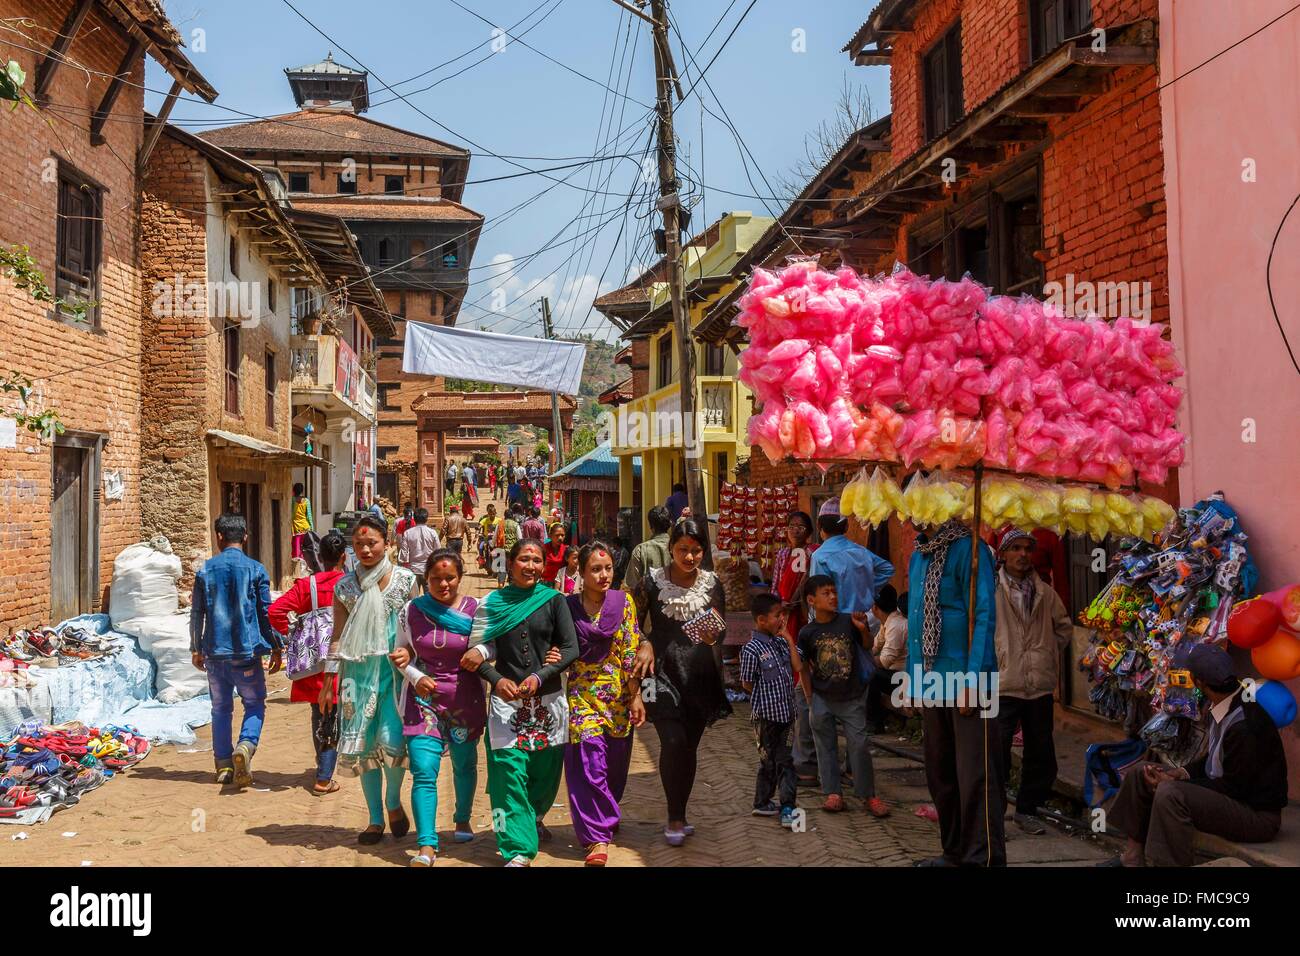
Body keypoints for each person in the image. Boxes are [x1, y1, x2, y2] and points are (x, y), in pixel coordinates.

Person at [1103, 643, 1287, 867]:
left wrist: (1173, 781)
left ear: (1198, 682)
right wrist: (1181, 772)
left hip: (1256, 816)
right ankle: (1132, 857)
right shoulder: (1222, 705)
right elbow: (1214, 762)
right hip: (1229, 794)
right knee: (1140, 773)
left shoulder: (1244, 725)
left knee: (1170, 793)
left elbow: (1233, 787)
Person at [462, 540, 580, 866]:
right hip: (506, 704)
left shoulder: (555, 601)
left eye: (537, 560)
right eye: (524, 559)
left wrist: (542, 675)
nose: (531, 566)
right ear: (510, 563)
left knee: (545, 769)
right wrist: (497, 680)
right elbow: (475, 653)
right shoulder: (493, 603)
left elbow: (570, 648)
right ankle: (517, 847)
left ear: (544, 566)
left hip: (549, 702)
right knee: (507, 772)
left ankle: (534, 815)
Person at [904, 518, 1002, 867]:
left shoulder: (970, 550)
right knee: (941, 773)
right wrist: (913, 680)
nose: (910, 512)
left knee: (974, 776)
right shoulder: (919, 554)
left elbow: (984, 615)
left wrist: (973, 682)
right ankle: (954, 852)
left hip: (967, 683)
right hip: (932, 681)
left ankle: (982, 858)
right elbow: (916, 619)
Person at [320, 515, 418, 845]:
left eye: (372, 543)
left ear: (387, 543)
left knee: (391, 740)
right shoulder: (345, 587)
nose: (365, 549)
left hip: (396, 675)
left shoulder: (405, 581)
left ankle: (393, 802)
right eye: (359, 544)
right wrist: (327, 679)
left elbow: (416, 629)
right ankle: (375, 819)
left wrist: (418, 666)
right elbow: (337, 635)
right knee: (362, 746)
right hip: (357, 676)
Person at [633, 518, 730, 846]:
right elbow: (631, 622)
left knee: (688, 746)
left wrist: (713, 635)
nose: (689, 557)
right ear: (671, 548)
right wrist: (644, 641)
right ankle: (674, 816)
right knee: (672, 741)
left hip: (699, 675)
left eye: (696, 551)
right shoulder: (651, 582)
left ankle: (680, 812)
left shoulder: (712, 583)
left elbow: (721, 628)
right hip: (660, 673)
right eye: (683, 550)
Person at [388, 549, 483, 866]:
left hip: (463, 701)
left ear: (460, 577)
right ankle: (427, 845)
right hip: (422, 701)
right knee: (423, 771)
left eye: (450, 578)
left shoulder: (476, 610)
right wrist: (414, 675)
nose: (444, 584)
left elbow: (491, 643)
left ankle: (462, 818)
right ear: (425, 579)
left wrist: (482, 650)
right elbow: (401, 652)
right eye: (436, 579)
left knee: (464, 763)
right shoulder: (410, 611)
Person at [564, 541, 645, 866]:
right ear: (581, 572)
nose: (603, 575)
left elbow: (630, 649)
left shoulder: (623, 603)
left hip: (619, 698)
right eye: (595, 569)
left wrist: (636, 695)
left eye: (608, 568)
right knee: (589, 764)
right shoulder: (567, 607)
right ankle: (597, 838)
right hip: (581, 697)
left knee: (614, 769)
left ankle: (606, 810)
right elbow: (560, 647)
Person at [190, 513, 282, 788]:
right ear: (245, 537)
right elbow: (266, 614)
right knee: (253, 703)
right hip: (247, 652)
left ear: (219, 536)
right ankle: (245, 745)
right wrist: (276, 645)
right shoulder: (256, 569)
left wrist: (196, 647)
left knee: (220, 708)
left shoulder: (205, 570)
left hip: (215, 652)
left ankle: (223, 766)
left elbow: (197, 613)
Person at [992, 528, 1073, 834]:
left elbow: (1063, 630)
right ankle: (994, 814)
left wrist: (1045, 656)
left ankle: (1027, 809)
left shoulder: (1045, 593)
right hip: (1002, 683)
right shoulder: (991, 590)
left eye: (1027, 548)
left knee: (1041, 755)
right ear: (1003, 553)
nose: (1023, 554)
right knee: (997, 753)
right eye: (1015, 548)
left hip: (1038, 685)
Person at [797, 575, 888, 818]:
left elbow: (867, 646)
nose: (833, 597)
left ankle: (868, 794)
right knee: (825, 746)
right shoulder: (807, 632)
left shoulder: (849, 622)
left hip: (852, 696)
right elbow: (803, 666)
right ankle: (833, 793)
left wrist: (862, 629)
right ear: (811, 600)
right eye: (826, 593)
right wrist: (808, 696)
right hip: (822, 697)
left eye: (834, 592)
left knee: (859, 744)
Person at [268, 529, 348, 796]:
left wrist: (293, 635)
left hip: (314, 661)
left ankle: (323, 764)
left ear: (320, 557)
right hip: (344, 660)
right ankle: (324, 777)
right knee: (334, 716)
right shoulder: (351, 584)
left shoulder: (307, 586)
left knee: (319, 711)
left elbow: (276, 611)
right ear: (344, 557)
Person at [740, 594, 800, 827]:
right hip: (765, 718)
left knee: (785, 760)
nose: (782, 619)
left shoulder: (782, 643)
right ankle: (762, 802)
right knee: (768, 761)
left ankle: (788, 806)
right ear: (762, 620)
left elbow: (797, 667)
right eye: (778, 616)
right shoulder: (751, 649)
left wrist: (789, 639)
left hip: (787, 715)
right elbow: (746, 683)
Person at [770, 510, 818, 785]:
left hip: (802, 615)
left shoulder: (812, 553)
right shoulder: (781, 556)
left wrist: (796, 599)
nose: (795, 530)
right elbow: (777, 584)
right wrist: (778, 607)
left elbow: (806, 581)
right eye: (791, 526)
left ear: (809, 531)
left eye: (801, 526)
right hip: (785, 615)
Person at [808, 500, 894, 615]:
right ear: (846, 527)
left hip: (837, 621)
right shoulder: (861, 551)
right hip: (863, 618)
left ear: (818, 525)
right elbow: (887, 569)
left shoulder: (819, 556)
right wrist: (868, 590)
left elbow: (818, 595)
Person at [867, 585, 908, 734]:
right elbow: (874, 647)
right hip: (894, 674)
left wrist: (862, 661)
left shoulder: (896, 625)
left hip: (903, 677)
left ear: (874, 607)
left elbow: (884, 661)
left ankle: (874, 722)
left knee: (872, 675)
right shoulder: (888, 621)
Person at [623, 505, 671, 593]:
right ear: (669, 524)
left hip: (648, 605)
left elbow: (630, 585)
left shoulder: (641, 550)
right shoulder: (679, 548)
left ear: (651, 526)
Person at [398, 507, 442, 590]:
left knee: (413, 599)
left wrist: (403, 564)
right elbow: (438, 551)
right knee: (429, 598)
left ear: (414, 518)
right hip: (428, 570)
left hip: (413, 570)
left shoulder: (408, 533)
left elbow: (404, 553)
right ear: (426, 519)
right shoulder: (432, 533)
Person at [291, 483, 314, 560]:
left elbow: (291, 515)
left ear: (293, 490)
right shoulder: (306, 501)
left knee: (296, 550)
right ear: (302, 491)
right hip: (306, 528)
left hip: (296, 529)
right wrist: (311, 528)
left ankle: (298, 568)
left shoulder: (292, 500)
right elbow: (309, 516)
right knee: (305, 549)